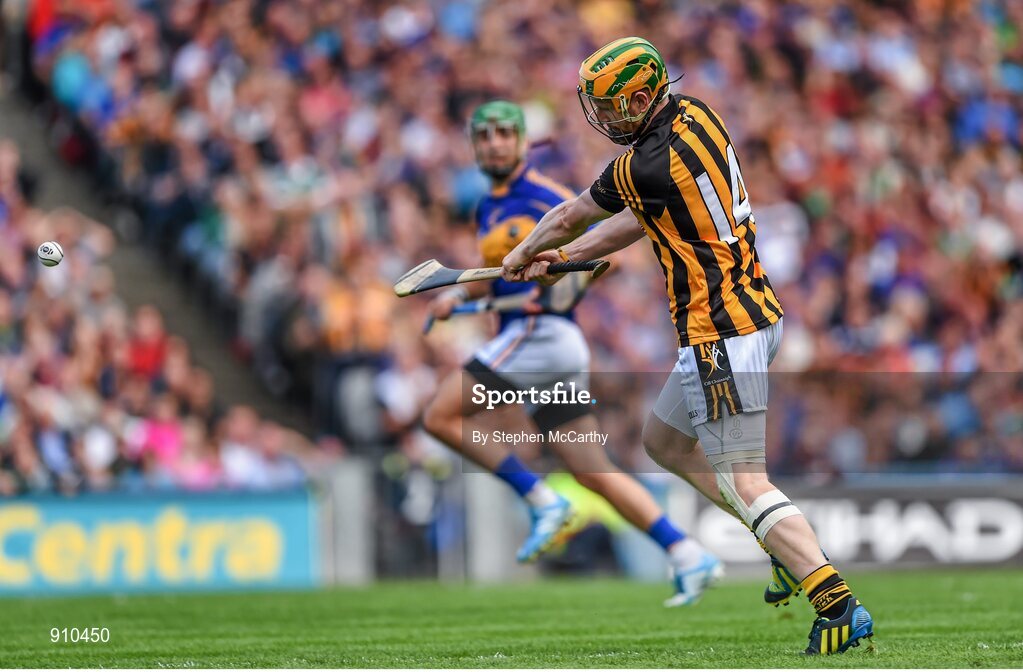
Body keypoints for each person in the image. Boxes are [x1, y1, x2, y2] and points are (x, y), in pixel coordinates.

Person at [500, 37, 874, 655]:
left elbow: (572, 214)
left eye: (611, 105)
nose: (603, 118)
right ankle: (780, 545)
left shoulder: (640, 165)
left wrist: (522, 253)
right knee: (664, 442)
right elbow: (641, 218)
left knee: (744, 481)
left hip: (719, 333)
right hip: (753, 314)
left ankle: (835, 601)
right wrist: (562, 259)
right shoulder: (696, 115)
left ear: (641, 97)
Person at [423, 100, 722, 606]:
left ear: (522, 141)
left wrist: (558, 288)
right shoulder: (488, 207)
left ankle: (542, 499)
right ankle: (687, 552)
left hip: (541, 335)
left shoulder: (546, 196)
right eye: (484, 135)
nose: (494, 144)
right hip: (547, 348)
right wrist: (457, 296)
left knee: (439, 415)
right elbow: (495, 273)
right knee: (591, 470)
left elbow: (600, 259)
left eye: (504, 133)